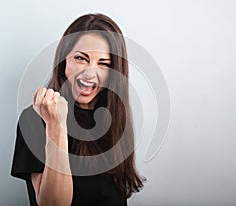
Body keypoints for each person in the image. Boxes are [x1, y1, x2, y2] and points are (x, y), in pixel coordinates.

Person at [11, 13, 144, 206]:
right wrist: (55, 125)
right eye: (81, 58)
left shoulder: (114, 117)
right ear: (64, 60)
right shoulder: (34, 118)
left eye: (104, 64)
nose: (90, 72)